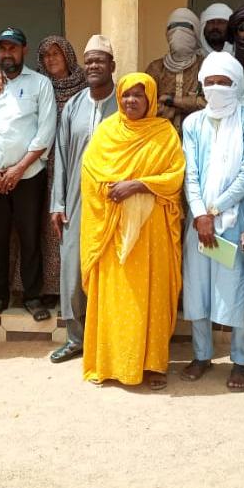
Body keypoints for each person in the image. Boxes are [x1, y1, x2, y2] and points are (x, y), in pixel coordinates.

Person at [80, 72, 186, 390]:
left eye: (138, 95)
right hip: (113, 231)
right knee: (117, 298)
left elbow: (175, 176)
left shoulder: (165, 133)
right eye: (126, 94)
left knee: (151, 297)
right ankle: (109, 364)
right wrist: (113, 189)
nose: (131, 101)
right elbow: (91, 174)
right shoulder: (107, 131)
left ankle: (153, 365)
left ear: (150, 98)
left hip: (153, 233)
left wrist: (138, 185)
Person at [180, 51, 244, 389]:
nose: (215, 88)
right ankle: (202, 355)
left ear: (237, 85)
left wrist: (213, 212)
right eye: (209, 82)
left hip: (235, 220)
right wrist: (200, 214)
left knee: (238, 290)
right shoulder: (192, 123)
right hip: (199, 224)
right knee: (197, 290)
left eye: (223, 82)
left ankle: (241, 362)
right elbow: (190, 174)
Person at [0, 27, 56, 322]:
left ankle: (32, 296)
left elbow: (46, 130)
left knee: (30, 237)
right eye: (3, 49)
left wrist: (19, 169)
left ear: (24, 50)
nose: (7, 54)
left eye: (13, 48)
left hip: (29, 176)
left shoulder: (40, 84)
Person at [47, 35, 119, 363]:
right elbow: (61, 156)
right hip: (76, 199)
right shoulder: (74, 106)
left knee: (111, 270)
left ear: (112, 66)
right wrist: (58, 203)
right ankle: (76, 337)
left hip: (115, 200)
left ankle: (108, 340)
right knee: (73, 268)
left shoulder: (125, 102)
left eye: (99, 60)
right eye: (88, 61)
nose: (93, 66)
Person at [8, 36, 88, 304]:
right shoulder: (37, 85)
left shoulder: (85, 86)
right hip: (38, 166)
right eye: (45, 55)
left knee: (67, 227)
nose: (51, 59)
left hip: (74, 165)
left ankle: (68, 289)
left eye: (56, 53)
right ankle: (39, 287)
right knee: (37, 227)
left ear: (68, 55)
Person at [145, 8, 205, 135]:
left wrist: (171, 101)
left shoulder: (205, 66)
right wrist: (188, 103)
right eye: (173, 27)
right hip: (161, 138)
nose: (179, 32)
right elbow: (146, 104)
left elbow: (209, 103)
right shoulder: (155, 68)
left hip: (197, 137)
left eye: (186, 27)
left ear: (196, 32)